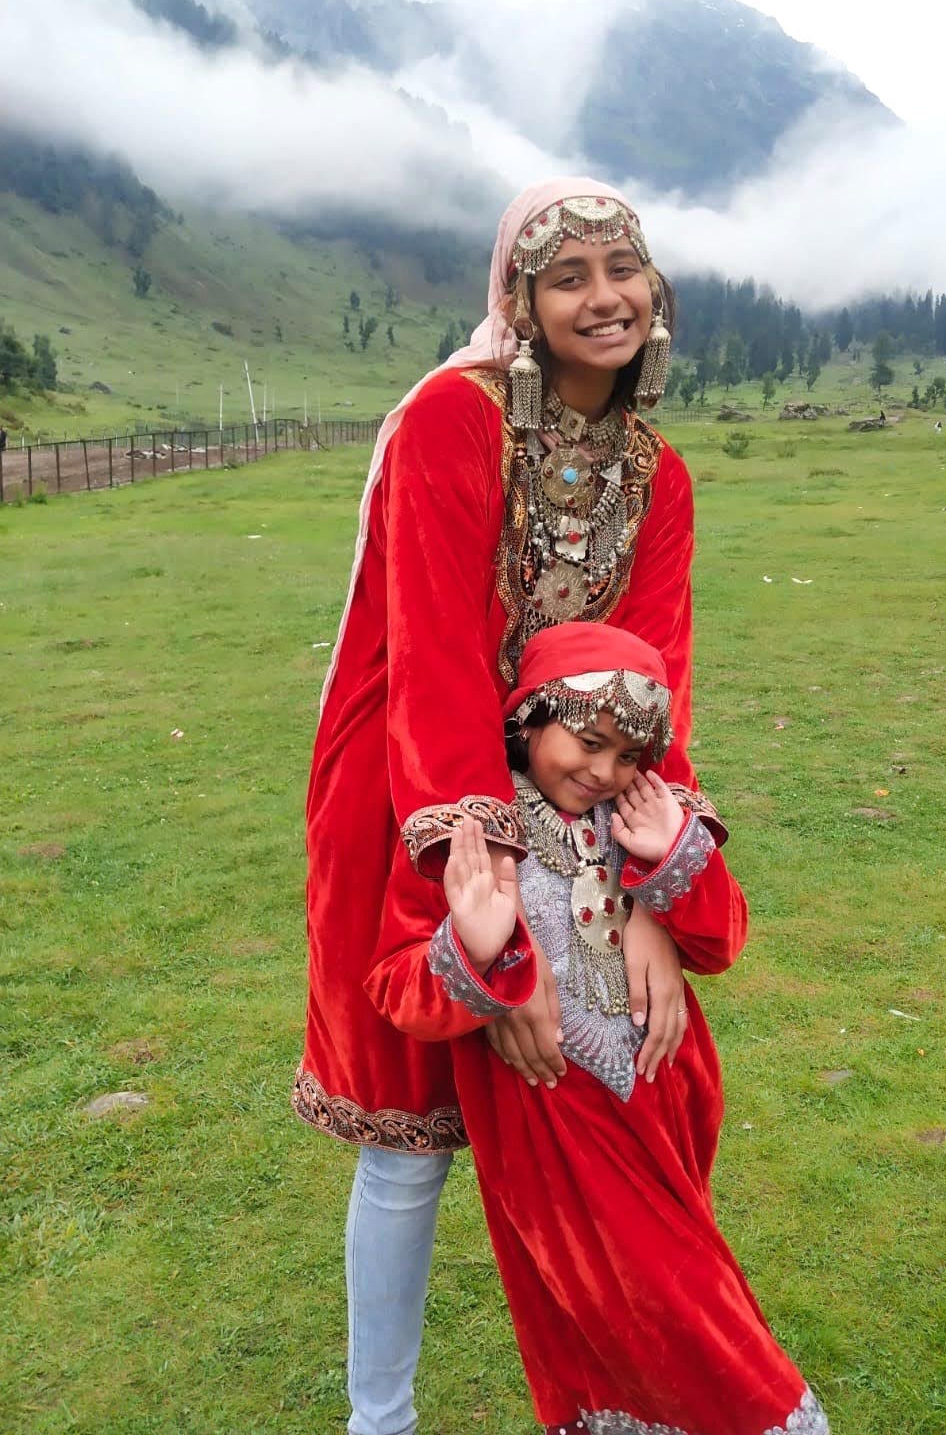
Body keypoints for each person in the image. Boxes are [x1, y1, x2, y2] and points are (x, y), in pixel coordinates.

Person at [295, 178, 725, 1435]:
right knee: (411, 1130)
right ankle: (381, 1419)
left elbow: (656, 685)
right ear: (519, 300)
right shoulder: (450, 420)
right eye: (569, 274)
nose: (604, 299)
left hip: (586, 791)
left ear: (656, 288)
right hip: (414, 800)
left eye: (622, 269)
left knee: (630, 1072)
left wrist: (651, 901)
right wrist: (485, 899)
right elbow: (428, 660)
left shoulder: (664, 475)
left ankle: (627, 1387)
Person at [366, 622, 829, 1435]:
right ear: (530, 717)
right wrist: (474, 950)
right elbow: (398, 990)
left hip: (669, 1094)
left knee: (650, 1310)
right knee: (677, 1314)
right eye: (587, 742)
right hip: (556, 1118)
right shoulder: (475, 834)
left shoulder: (638, 810)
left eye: (627, 756)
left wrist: (676, 857)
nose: (603, 771)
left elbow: (721, 945)